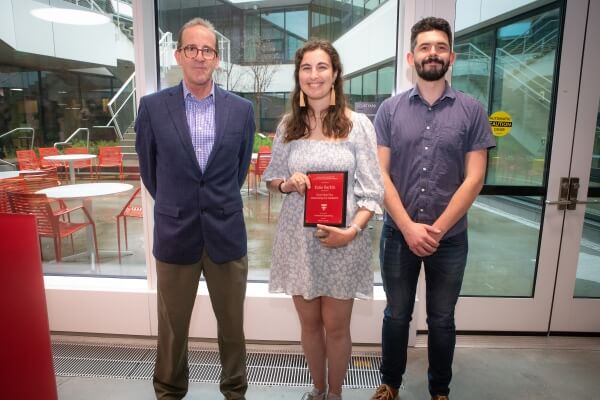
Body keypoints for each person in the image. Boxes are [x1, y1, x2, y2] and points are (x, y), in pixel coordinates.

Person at [370, 17, 495, 400]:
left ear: (451, 56)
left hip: (451, 237)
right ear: (411, 56)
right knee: (396, 314)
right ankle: (390, 384)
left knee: (442, 319)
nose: (433, 53)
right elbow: (380, 174)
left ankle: (439, 390)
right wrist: (408, 226)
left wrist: (436, 229)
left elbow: (474, 178)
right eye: (425, 47)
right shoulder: (389, 111)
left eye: (440, 47)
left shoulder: (472, 111)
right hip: (397, 233)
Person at [134, 17, 255, 400]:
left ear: (217, 59)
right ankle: (169, 391)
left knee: (232, 325)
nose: (200, 57)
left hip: (225, 231)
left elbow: (238, 169)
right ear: (178, 55)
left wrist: (212, 203)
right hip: (175, 233)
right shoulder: (152, 108)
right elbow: (150, 172)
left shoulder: (241, 110)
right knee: (172, 327)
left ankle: (235, 391)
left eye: (207, 50)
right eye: (192, 49)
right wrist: (180, 204)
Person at [263, 40, 383, 400]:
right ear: (298, 77)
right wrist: (288, 183)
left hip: (344, 240)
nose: (314, 76)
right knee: (310, 325)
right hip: (299, 242)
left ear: (335, 75)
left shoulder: (357, 125)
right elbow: (272, 178)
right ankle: (317, 390)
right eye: (306, 68)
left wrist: (352, 231)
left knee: (337, 326)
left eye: (321, 67)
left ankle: (335, 394)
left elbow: (373, 192)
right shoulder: (289, 125)